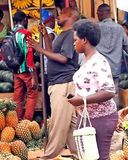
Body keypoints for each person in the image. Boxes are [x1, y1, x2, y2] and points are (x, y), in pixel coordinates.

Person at [30, 7, 80, 159]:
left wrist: (40, 50)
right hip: (59, 83)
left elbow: (64, 58)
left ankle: (49, 156)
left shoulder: (70, 34)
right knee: (71, 125)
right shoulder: (62, 34)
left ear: (70, 16)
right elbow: (53, 53)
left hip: (63, 84)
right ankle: (80, 154)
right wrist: (45, 36)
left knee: (57, 123)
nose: (57, 16)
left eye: (61, 13)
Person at [68, 19, 118, 160]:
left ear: (84, 40)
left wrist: (82, 99)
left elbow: (109, 91)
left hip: (102, 118)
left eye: (75, 39)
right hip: (85, 116)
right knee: (86, 157)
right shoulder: (84, 60)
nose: (74, 43)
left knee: (100, 157)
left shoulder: (99, 62)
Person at [96, 3, 128, 109]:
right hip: (114, 69)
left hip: (98, 69)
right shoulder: (119, 29)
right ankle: (114, 120)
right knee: (113, 95)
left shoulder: (96, 28)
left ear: (99, 13)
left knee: (97, 97)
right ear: (109, 13)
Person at [12, 11, 38, 121]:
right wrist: (33, 74)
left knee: (18, 97)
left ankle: (16, 121)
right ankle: (26, 122)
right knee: (32, 94)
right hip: (26, 70)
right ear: (25, 20)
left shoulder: (10, 33)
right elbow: (29, 53)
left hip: (15, 70)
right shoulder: (25, 33)